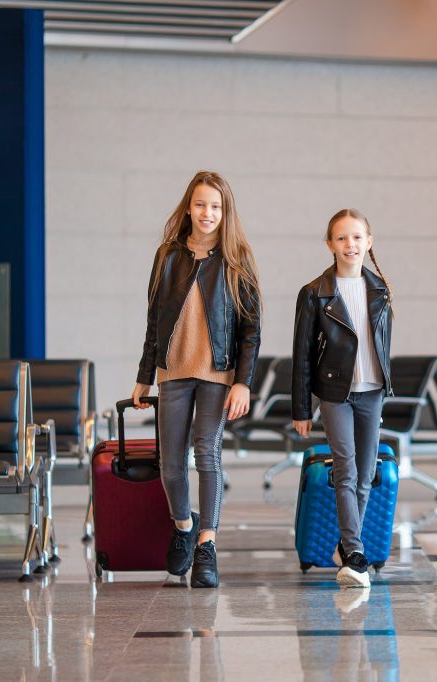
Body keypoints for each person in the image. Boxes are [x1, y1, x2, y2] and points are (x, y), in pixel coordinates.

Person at [132, 170, 261, 588]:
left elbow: (250, 329)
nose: (208, 213)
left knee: (207, 455)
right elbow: (154, 320)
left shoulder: (237, 257)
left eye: (216, 207)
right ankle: (185, 526)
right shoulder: (167, 256)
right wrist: (144, 376)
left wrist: (242, 381)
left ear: (226, 213)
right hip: (173, 373)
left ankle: (207, 545)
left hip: (217, 375)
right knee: (170, 464)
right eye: (202, 204)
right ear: (189, 206)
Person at [292, 208, 394, 588]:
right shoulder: (315, 293)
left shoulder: (380, 289)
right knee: (346, 471)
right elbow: (301, 355)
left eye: (356, 237)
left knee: (366, 475)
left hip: (372, 394)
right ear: (330, 244)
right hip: (335, 394)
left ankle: (346, 545)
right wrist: (302, 408)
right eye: (341, 238)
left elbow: (382, 347)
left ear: (368, 242)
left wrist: (385, 388)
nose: (350, 244)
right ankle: (354, 554)